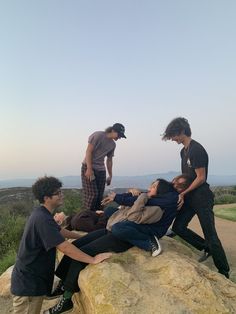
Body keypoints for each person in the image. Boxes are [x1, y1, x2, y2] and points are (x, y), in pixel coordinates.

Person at [43, 175, 190, 314]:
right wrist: (133, 196)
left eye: (153, 187)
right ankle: (62, 284)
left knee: (82, 254)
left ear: (160, 191)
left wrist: (139, 198)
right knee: (75, 245)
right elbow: (126, 210)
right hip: (111, 230)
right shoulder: (147, 200)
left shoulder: (156, 209)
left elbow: (132, 218)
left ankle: (67, 299)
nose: (149, 189)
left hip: (121, 239)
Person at [11, 176, 111, 314]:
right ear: (47, 198)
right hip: (28, 285)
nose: (61, 195)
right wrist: (92, 260)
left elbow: (60, 231)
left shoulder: (42, 214)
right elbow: (64, 247)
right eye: (57, 193)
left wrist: (81, 236)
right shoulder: (42, 219)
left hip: (34, 279)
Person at [162, 117, 230, 278]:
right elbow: (187, 177)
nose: (172, 139)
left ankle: (224, 271)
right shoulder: (183, 151)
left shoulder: (196, 150)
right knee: (178, 227)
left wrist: (183, 194)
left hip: (202, 197)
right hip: (190, 196)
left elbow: (201, 178)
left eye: (173, 135)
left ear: (182, 132)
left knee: (211, 234)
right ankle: (205, 248)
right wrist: (181, 192)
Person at [81, 123, 126, 211]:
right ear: (113, 130)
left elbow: (109, 160)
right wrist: (89, 169)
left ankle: (98, 216)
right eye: (119, 135)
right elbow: (88, 151)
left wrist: (110, 175)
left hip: (101, 170)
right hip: (88, 167)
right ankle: (86, 216)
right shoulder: (98, 135)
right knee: (92, 195)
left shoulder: (113, 145)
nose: (119, 137)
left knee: (99, 196)